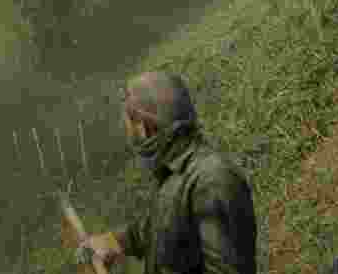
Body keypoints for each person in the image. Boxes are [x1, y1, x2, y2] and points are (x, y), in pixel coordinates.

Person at [76, 71, 258, 274]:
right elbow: (164, 229)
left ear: (148, 126)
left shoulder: (211, 180)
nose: (131, 136)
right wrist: (115, 242)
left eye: (131, 124)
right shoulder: (174, 173)